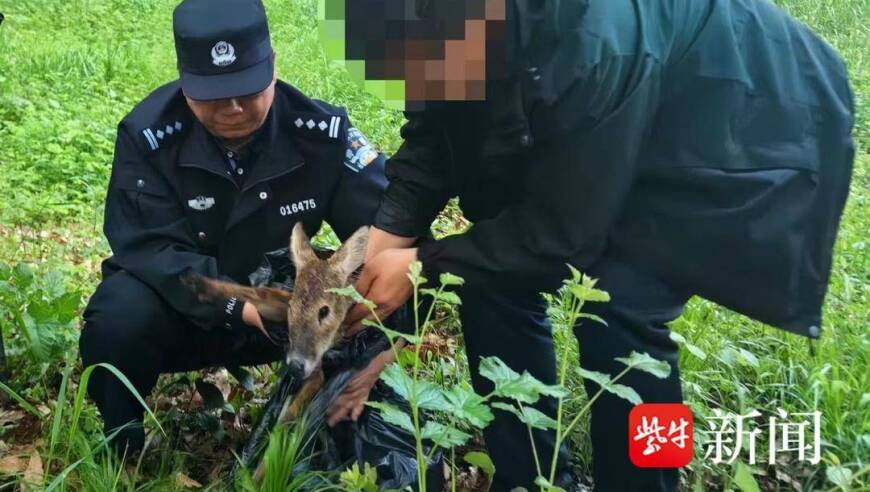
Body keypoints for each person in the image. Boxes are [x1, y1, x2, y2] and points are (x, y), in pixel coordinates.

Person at [341, 0, 856, 490]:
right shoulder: (445, 31)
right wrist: (380, 244)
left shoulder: (590, 39)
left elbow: (563, 235)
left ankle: (647, 483)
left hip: (734, 106)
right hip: (609, 102)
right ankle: (529, 477)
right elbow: (437, 132)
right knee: (484, 272)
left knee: (626, 308)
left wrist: (422, 264)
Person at [79, 0, 395, 454]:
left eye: (247, 89)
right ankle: (121, 445)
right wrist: (239, 306)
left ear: (273, 67)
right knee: (116, 318)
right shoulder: (148, 135)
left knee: (373, 292)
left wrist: (350, 310)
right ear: (185, 81)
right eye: (212, 93)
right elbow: (146, 248)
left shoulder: (321, 132)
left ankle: (338, 433)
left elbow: (387, 226)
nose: (232, 108)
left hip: (291, 317)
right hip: (183, 306)